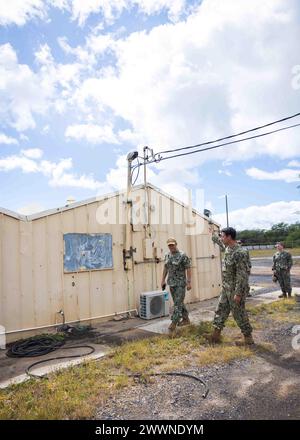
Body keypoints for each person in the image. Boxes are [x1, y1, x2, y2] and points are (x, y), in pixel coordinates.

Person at [207, 226, 254, 345]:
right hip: (226, 288)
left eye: (222, 236)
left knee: (239, 313)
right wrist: (212, 234)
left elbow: (242, 275)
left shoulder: (240, 253)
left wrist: (238, 293)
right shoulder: (228, 248)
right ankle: (215, 335)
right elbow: (218, 242)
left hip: (235, 289)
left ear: (229, 237)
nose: (221, 238)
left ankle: (248, 338)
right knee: (221, 310)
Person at [161, 238, 192, 331]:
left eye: (172, 245)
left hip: (181, 283)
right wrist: (162, 280)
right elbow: (166, 268)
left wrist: (189, 282)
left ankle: (174, 322)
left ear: (176, 244)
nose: (171, 247)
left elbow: (188, 268)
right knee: (178, 302)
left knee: (177, 304)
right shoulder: (167, 255)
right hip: (171, 283)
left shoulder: (183, 255)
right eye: (169, 245)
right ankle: (186, 319)